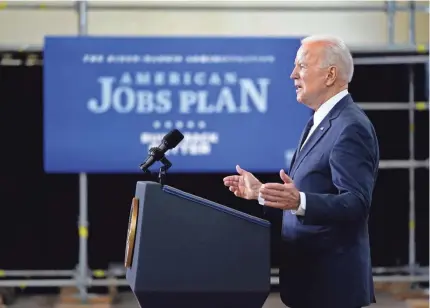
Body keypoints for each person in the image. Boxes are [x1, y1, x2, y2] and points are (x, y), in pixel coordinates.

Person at [223, 35, 379, 308]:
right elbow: (306, 193)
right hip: (309, 283)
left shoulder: (351, 126)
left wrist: (300, 201)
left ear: (330, 75)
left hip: (332, 289)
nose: (292, 74)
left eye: (302, 66)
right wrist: (262, 193)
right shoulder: (317, 122)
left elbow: (356, 203)